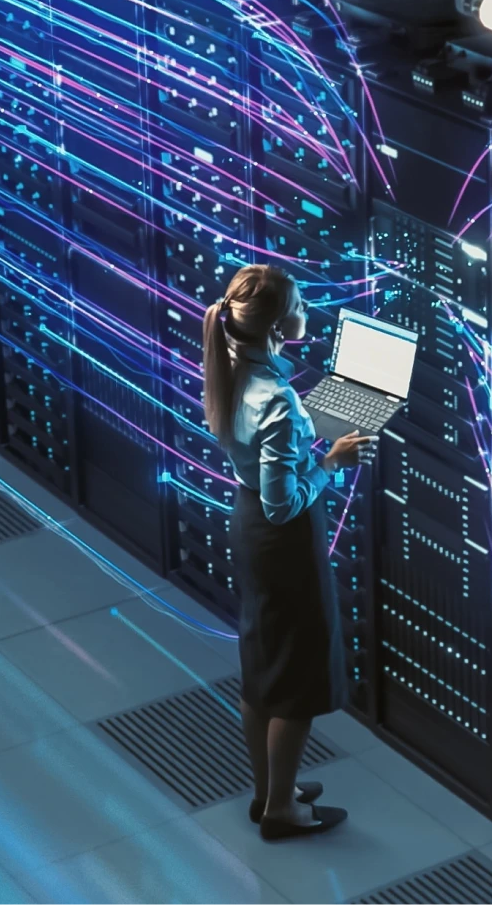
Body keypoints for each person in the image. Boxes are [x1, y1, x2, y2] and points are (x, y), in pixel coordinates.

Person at [203, 264, 375, 840]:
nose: (308, 307)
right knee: (296, 681)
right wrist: (330, 461)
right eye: (300, 301)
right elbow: (284, 504)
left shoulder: (232, 362)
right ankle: (282, 810)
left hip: (249, 524)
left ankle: (268, 789)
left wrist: (310, 440)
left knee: (263, 665)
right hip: (283, 538)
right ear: (280, 323)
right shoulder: (275, 400)